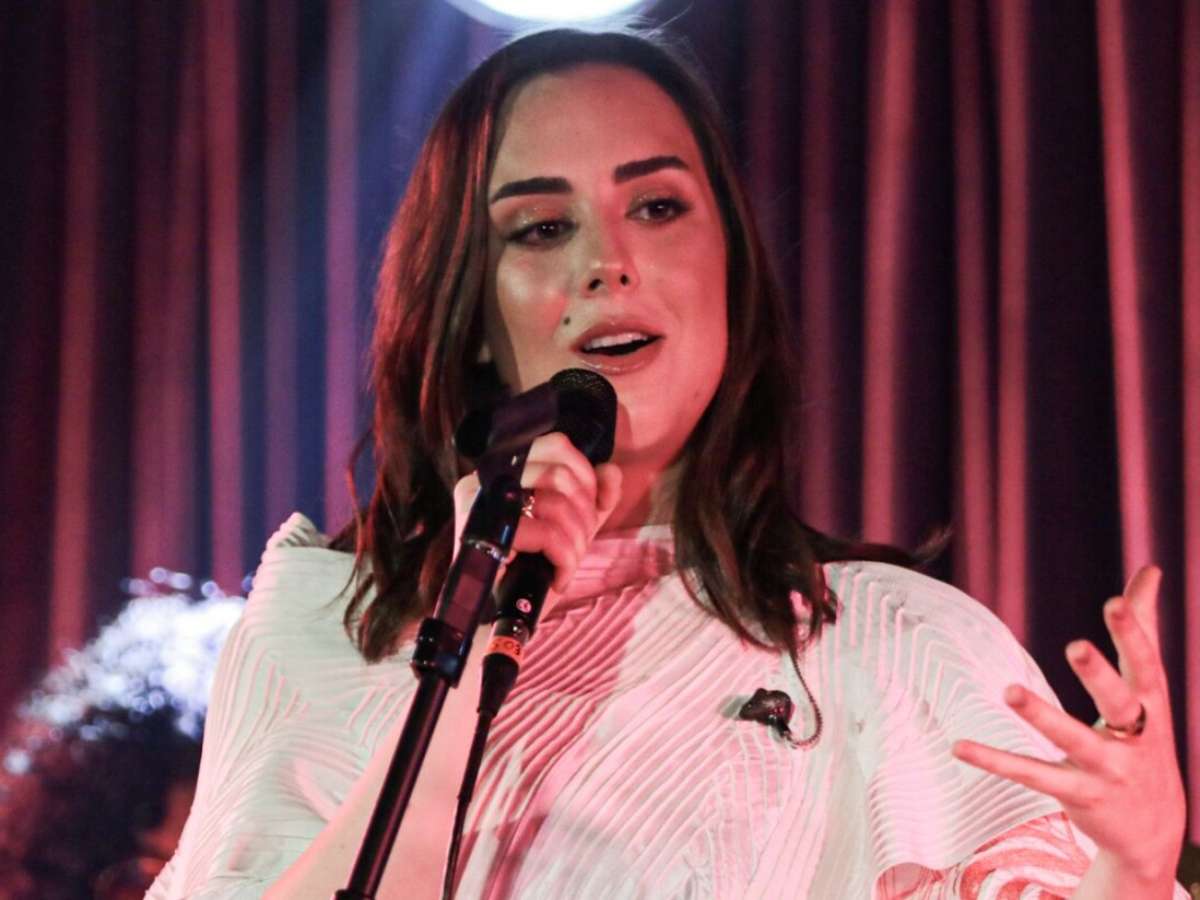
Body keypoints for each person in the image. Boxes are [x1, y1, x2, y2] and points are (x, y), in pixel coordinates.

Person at [149, 27, 1188, 899]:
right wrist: (471, 633)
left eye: (656, 207)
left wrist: (1135, 873)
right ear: (471, 309)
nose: (608, 262)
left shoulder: (896, 641)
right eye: (542, 227)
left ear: (726, 261)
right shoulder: (325, 624)